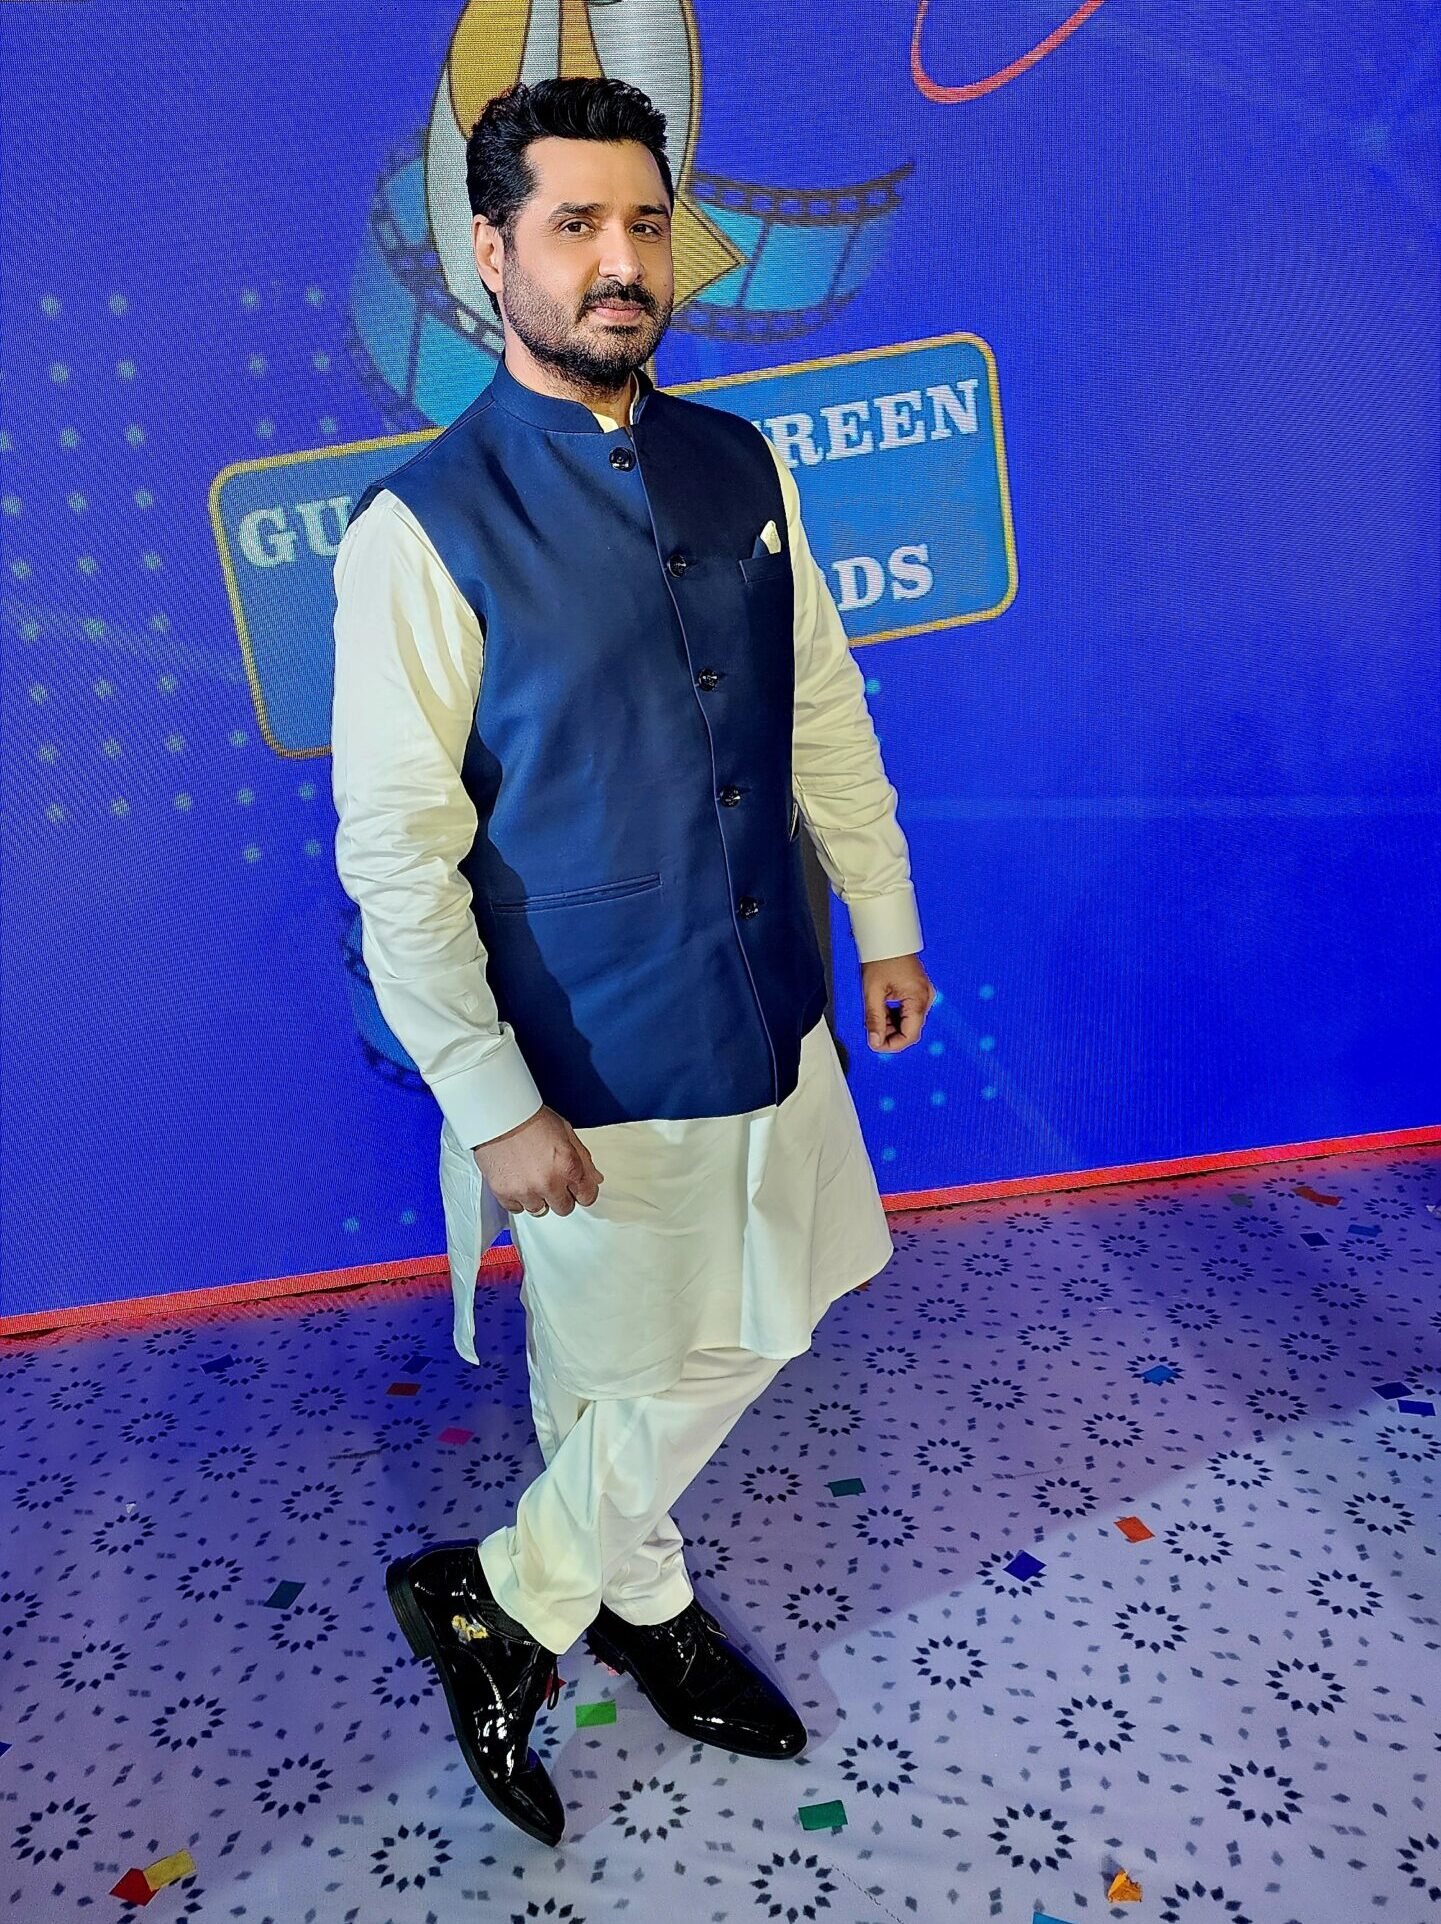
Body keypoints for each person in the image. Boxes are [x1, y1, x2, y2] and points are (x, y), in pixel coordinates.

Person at [330, 75, 934, 1847]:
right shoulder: (418, 531)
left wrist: (882, 913)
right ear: (489, 254)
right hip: (584, 1054)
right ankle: (629, 1601)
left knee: (759, 1316)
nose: (619, 261)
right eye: (574, 225)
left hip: (772, 1000)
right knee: (617, 1364)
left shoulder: (740, 463)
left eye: (644, 223)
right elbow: (396, 858)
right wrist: (487, 1095)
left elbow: (819, 708)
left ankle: (509, 1596)